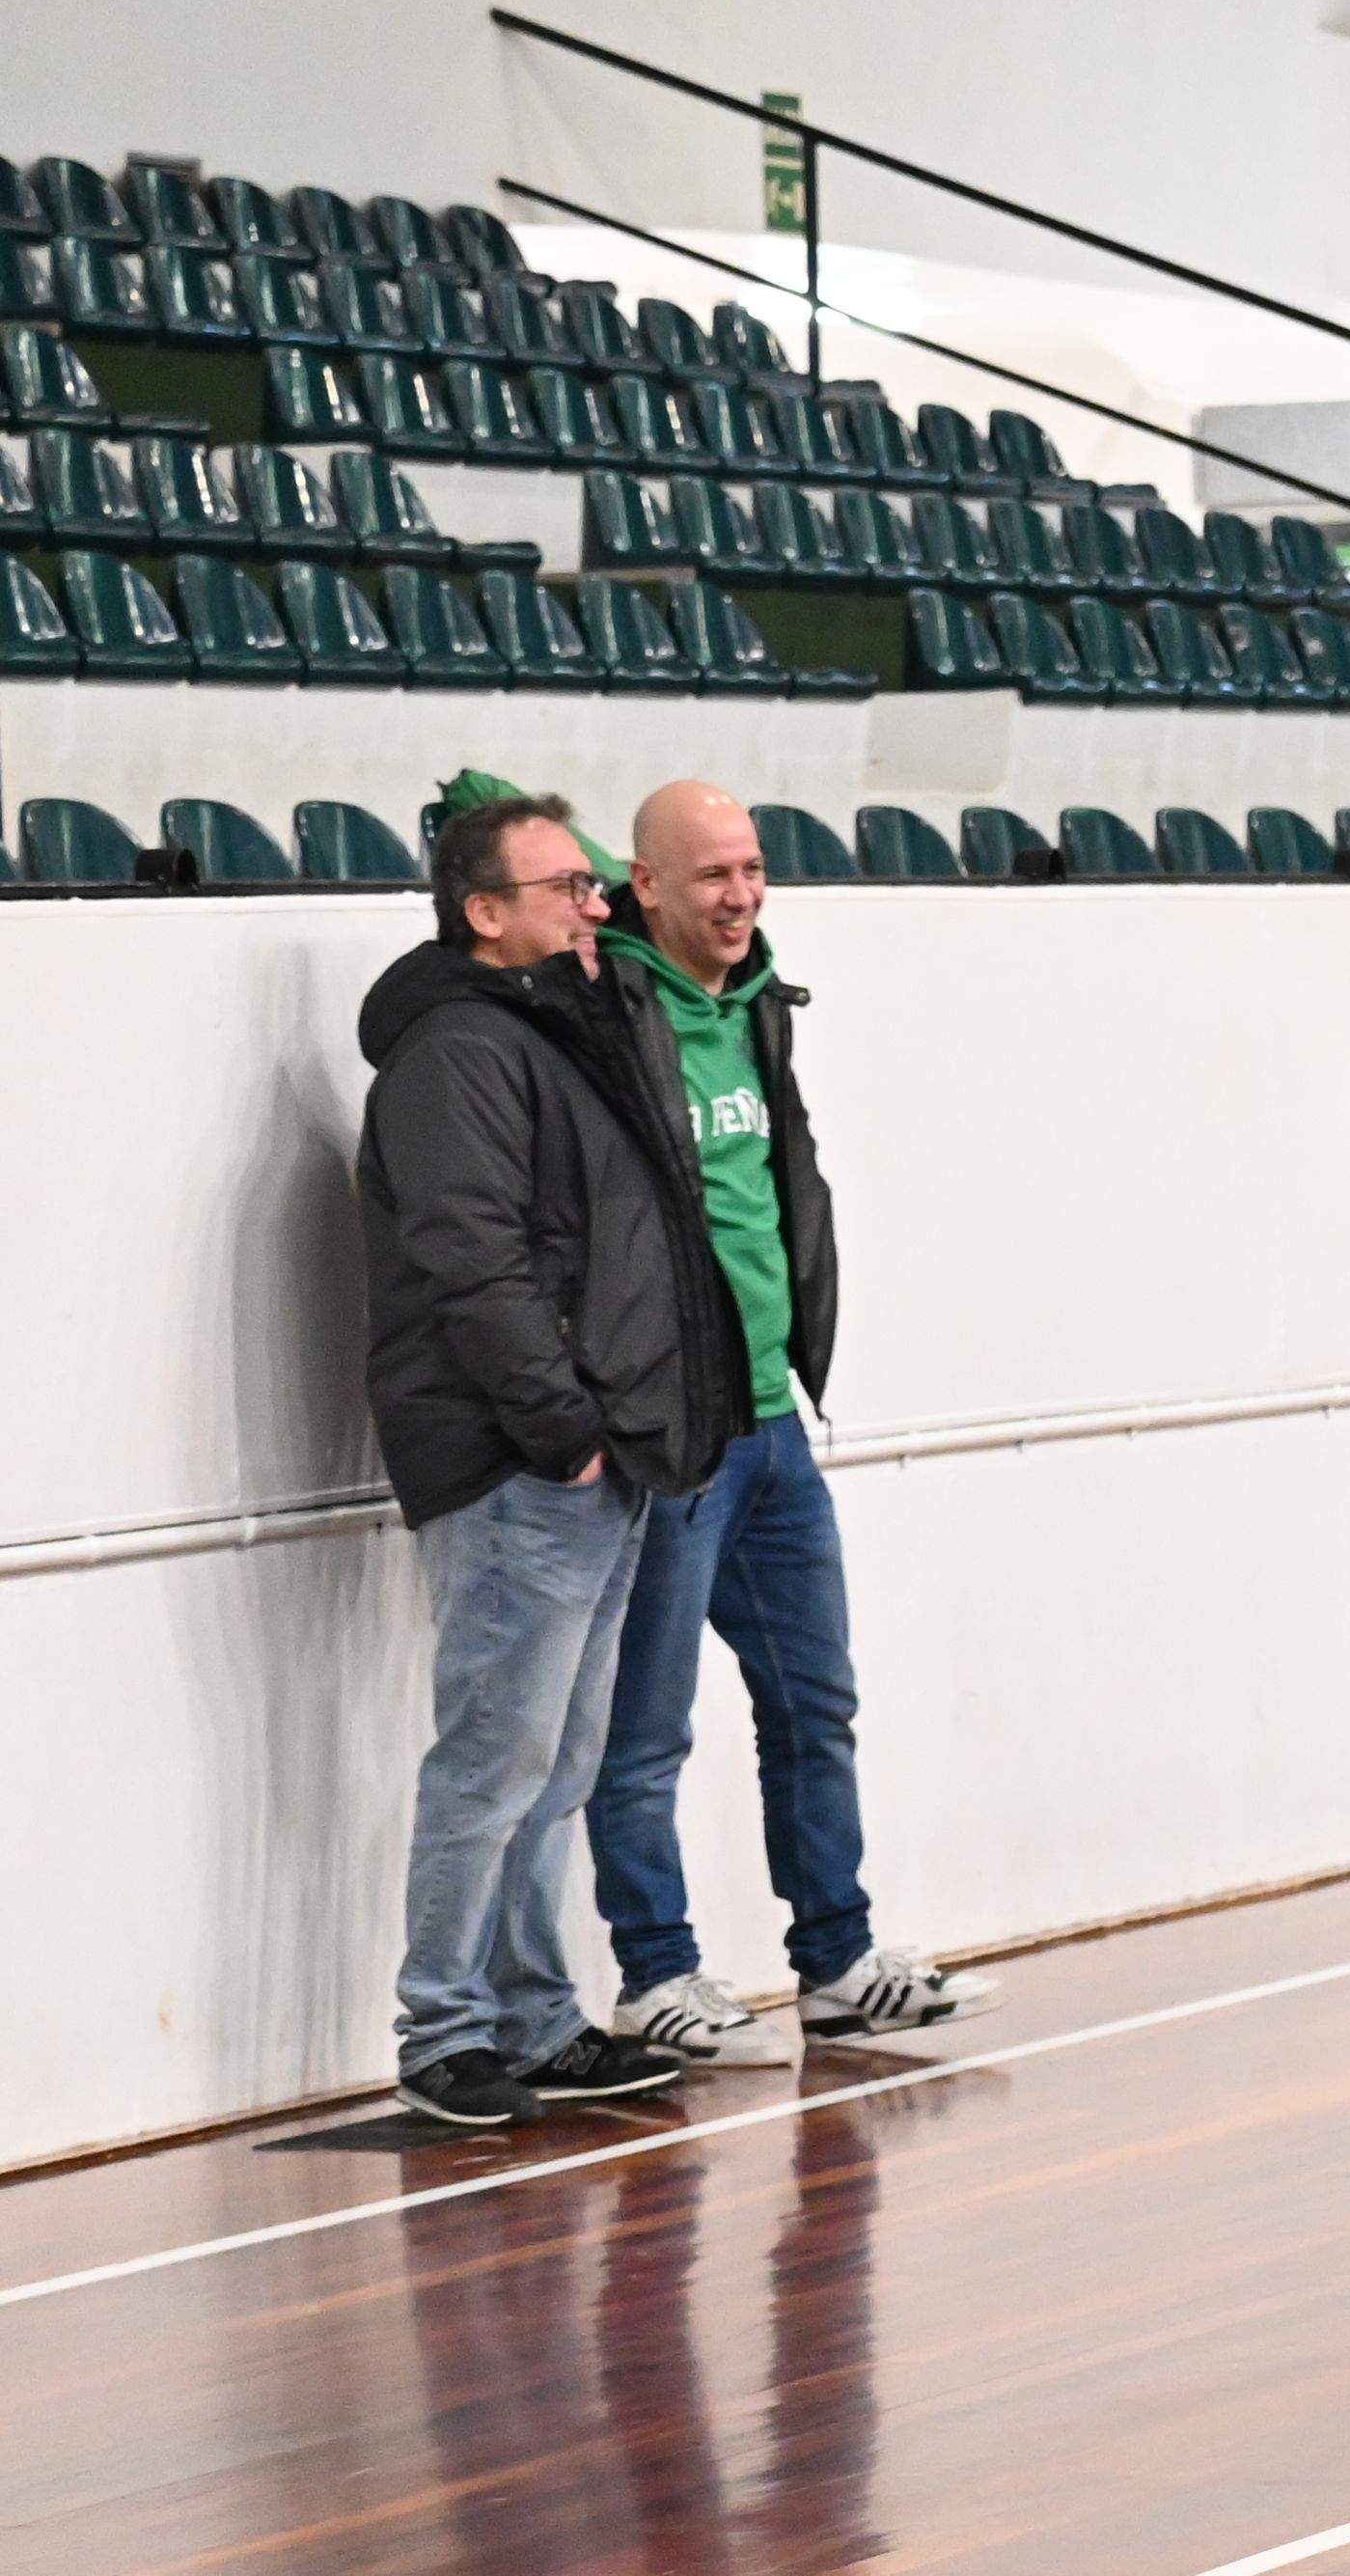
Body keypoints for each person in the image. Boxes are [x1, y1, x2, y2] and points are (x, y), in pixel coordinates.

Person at [573, 783, 971, 2089]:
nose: (741, 899)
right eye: (711, 878)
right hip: (669, 1433)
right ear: (642, 885)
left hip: (771, 1425)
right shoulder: (605, 1012)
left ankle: (840, 1964)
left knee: (816, 1702)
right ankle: (655, 1975)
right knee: (647, 1730)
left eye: (752, 872)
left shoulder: (757, 1008)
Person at [354, 792, 720, 2128]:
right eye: (564, 886)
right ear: (484, 911)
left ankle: (533, 2013)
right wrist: (561, 1427)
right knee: (494, 1759)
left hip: (590, 1452)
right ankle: (445, 2028)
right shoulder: (457, 1051)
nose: (595, 905)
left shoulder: (561, 1029)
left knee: (559, 1761)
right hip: (521, 1462)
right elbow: (475, 1257)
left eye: (590, 885)